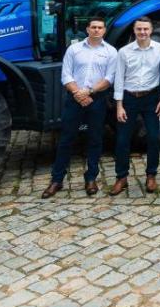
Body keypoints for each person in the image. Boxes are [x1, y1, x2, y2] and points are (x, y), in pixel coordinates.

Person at [43, 18, 117, 198]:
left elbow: (109, 78)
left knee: (95, 139)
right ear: (87, 29)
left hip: (97, 100)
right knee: (66, 139)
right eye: (93, 27)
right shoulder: (74, 49)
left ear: (104, 30)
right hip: (74, 99)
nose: (96, 30)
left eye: (100, 27)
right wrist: (78, 93)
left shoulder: (111, 52)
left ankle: (91, 178)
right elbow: (66, 74)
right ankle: (57, 180)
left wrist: (89, 92)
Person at [111, 16, 160, 196]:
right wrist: (119, 105)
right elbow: (119, 78)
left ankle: (151, 175)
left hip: (151, 98)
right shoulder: (124, 52)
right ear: (134, 31)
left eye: (145, 29)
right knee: (122, 140)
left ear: (151, 30)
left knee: (153, 137)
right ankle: (121, 177)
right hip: (129, 98)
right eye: (139, 29)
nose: (142, 32)